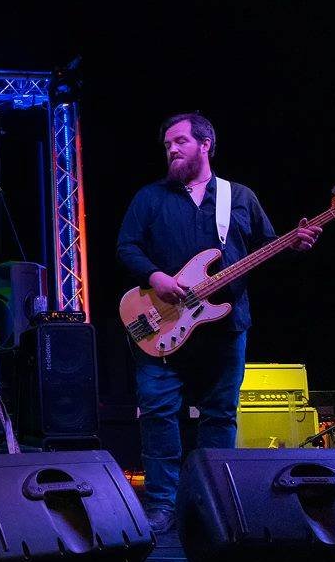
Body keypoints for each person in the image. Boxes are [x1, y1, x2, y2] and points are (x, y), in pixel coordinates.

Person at [116, 113, 321, 534]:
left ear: (205, 144)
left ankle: (210, 503)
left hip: (226, 329)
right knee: (157, 415)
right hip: (162, 325)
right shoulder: (149, 198)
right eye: (167, 144)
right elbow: (126, 247)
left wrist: (295, 243)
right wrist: (156, 277)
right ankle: (161, 508)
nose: (171, 149)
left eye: (180, 141)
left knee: (220, 417)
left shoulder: (239, 197)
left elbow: (268, 247)